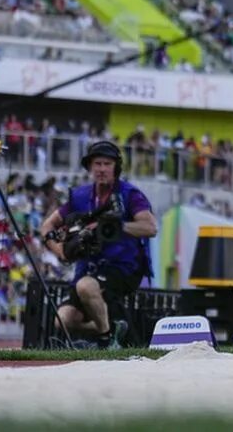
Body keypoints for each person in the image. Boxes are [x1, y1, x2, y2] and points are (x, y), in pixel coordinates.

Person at [39, 141, 156, 348]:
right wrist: (61, 252)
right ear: (90, 167)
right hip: (88, 269)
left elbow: (150, 228)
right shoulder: (81, 196)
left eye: (107, 164)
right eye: (97, 164)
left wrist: (117, 227)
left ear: (116, 167)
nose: (102, 169)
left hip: (124, 267)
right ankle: (112, 329)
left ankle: (107, 341)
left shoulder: (130, 195)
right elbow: (47, 225)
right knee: (63, 320)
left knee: (86, 286)